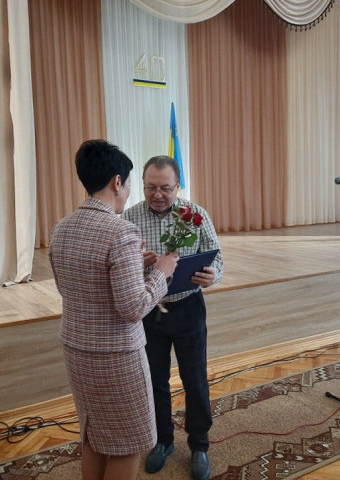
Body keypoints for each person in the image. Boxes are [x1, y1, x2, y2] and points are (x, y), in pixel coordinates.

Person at [49, 140, 179, 480]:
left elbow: (74, 287)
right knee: (127, 444)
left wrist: (133, 265)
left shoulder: (62, 227)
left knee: (95, 436)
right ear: (117, 182)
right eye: (131, 183)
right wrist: (161, 272)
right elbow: (133, 307)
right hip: (116, 356)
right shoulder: (121, 230)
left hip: (77, 350)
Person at [122, 155, 224, 480]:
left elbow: (217, 258)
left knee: (195, 379)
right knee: (154, 380)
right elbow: (120, 267)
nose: (157, 194)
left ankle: (199, 445)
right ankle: (162, 441)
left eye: (165, 188)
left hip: (188, 307)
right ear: (142, 185)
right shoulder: (130, 218)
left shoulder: (195, 215)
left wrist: (213, 275)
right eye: (150, 187)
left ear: (178, 186)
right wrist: (138, 263)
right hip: (149, 311)